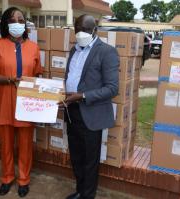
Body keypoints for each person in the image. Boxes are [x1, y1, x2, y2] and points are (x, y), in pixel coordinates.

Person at [0, 7, 42, 197]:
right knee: (6, 144)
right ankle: (7, 178)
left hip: (26, 104)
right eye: (13, 20)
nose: (18, 23)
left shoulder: (33, 47)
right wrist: (10, 80)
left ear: (26, 25)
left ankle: (24, 180)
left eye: (22, 20)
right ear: (6, 23)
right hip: (5, 102)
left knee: (25, 145)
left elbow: (38, 74)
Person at [60, 15, 119, 199]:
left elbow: (112, 88)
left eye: (85, 30)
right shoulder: (73, 50)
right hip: (72, 111)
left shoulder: (107, 52)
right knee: (76, 157)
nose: (81, 33)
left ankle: (87, 196)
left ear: (95, 30)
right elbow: (71, 77)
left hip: (91, 113)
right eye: (77, 29)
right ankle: (80, 191)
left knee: (89, 160)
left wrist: (83, 95)